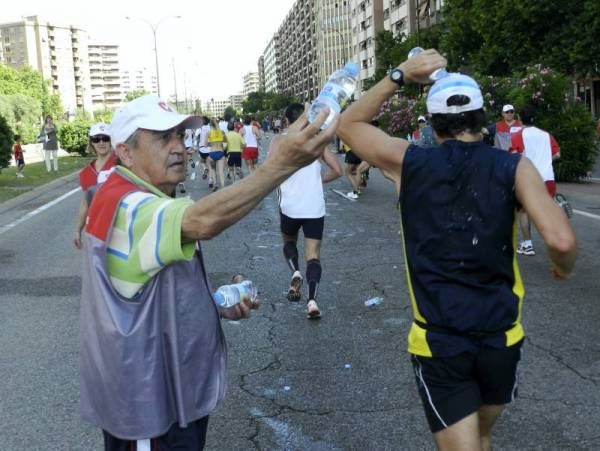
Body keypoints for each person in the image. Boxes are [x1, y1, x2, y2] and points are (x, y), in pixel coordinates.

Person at [337, 49, 577, 451]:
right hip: (502, 336)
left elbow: (348, 124)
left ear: (432, 123)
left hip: (440, 339)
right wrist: (562, 267)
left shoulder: (407, 162)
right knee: (481, 435)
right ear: (483, 119)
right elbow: (562, 240)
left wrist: (400, 75)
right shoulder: (513, 167)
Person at [79, 94, 337, 450]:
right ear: (124, 151)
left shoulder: (144, 195)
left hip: (169, 394)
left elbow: (147, 287)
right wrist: (280, 165)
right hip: (150, 407)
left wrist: (212, 303)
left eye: (180, 136)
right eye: (162, 138)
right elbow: (205, 220)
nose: (179, 148)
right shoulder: (129, 205)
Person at [278, 103, 342, 318]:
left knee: (288, 241)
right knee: (313, 256)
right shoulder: (317, 141)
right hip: (313, 206)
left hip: (289, 205)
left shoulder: (281, 141)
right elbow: (337, 170)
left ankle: (295, 271)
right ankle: (312, 302)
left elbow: (270, 171)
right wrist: (317, 180)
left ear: (287, 121)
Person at [510, 105, 561, 256]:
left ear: (519, 118)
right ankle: (556, 243)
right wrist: (545, 159)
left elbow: (514, 156)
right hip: (548, 178)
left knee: (523, 211)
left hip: (529, 179)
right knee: (546, 212)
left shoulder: (518, 135)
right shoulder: (546, 135)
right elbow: (557, 154)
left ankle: (527, 245)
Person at [73, 122, 117, 249]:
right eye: (96, 139)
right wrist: (78, 230)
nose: (101, 143)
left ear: (111, 140)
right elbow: (86, 204)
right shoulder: (85, 174)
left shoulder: (122, 163)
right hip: (97, 230)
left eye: (105, 138)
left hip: (120, 227)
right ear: (91, 142)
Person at [207, 118, 227, 191]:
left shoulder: (209, 133)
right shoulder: (222, 132)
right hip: (220, 152)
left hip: (212, 153)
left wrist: (211, 143)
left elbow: (205, 144)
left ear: (210, 125)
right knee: (221, 172)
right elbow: (225, 141)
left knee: (213, 170)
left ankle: (215, 184)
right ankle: (223, 187)